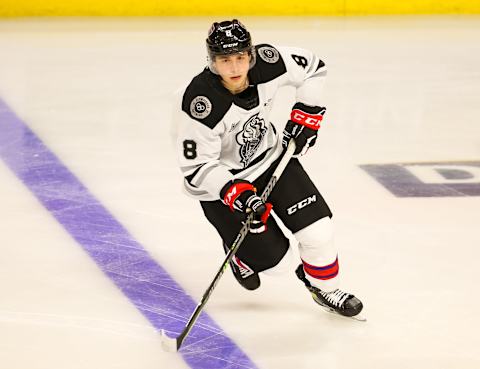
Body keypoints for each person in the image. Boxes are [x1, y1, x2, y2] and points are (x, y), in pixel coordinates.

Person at [172, 19, 363, 318]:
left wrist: (307, 114)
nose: (234, 68)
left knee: (319, 233)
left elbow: (313, 66)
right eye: (224, 60)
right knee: (279, 264)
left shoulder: (268, 62)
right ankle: (240, 256)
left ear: (250, 54)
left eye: (240, 57)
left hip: (271, 158)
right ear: (211, 61)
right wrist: (236, 193)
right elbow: (196, 168)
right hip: (223, 186)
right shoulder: (201, 102)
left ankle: (325, 288)